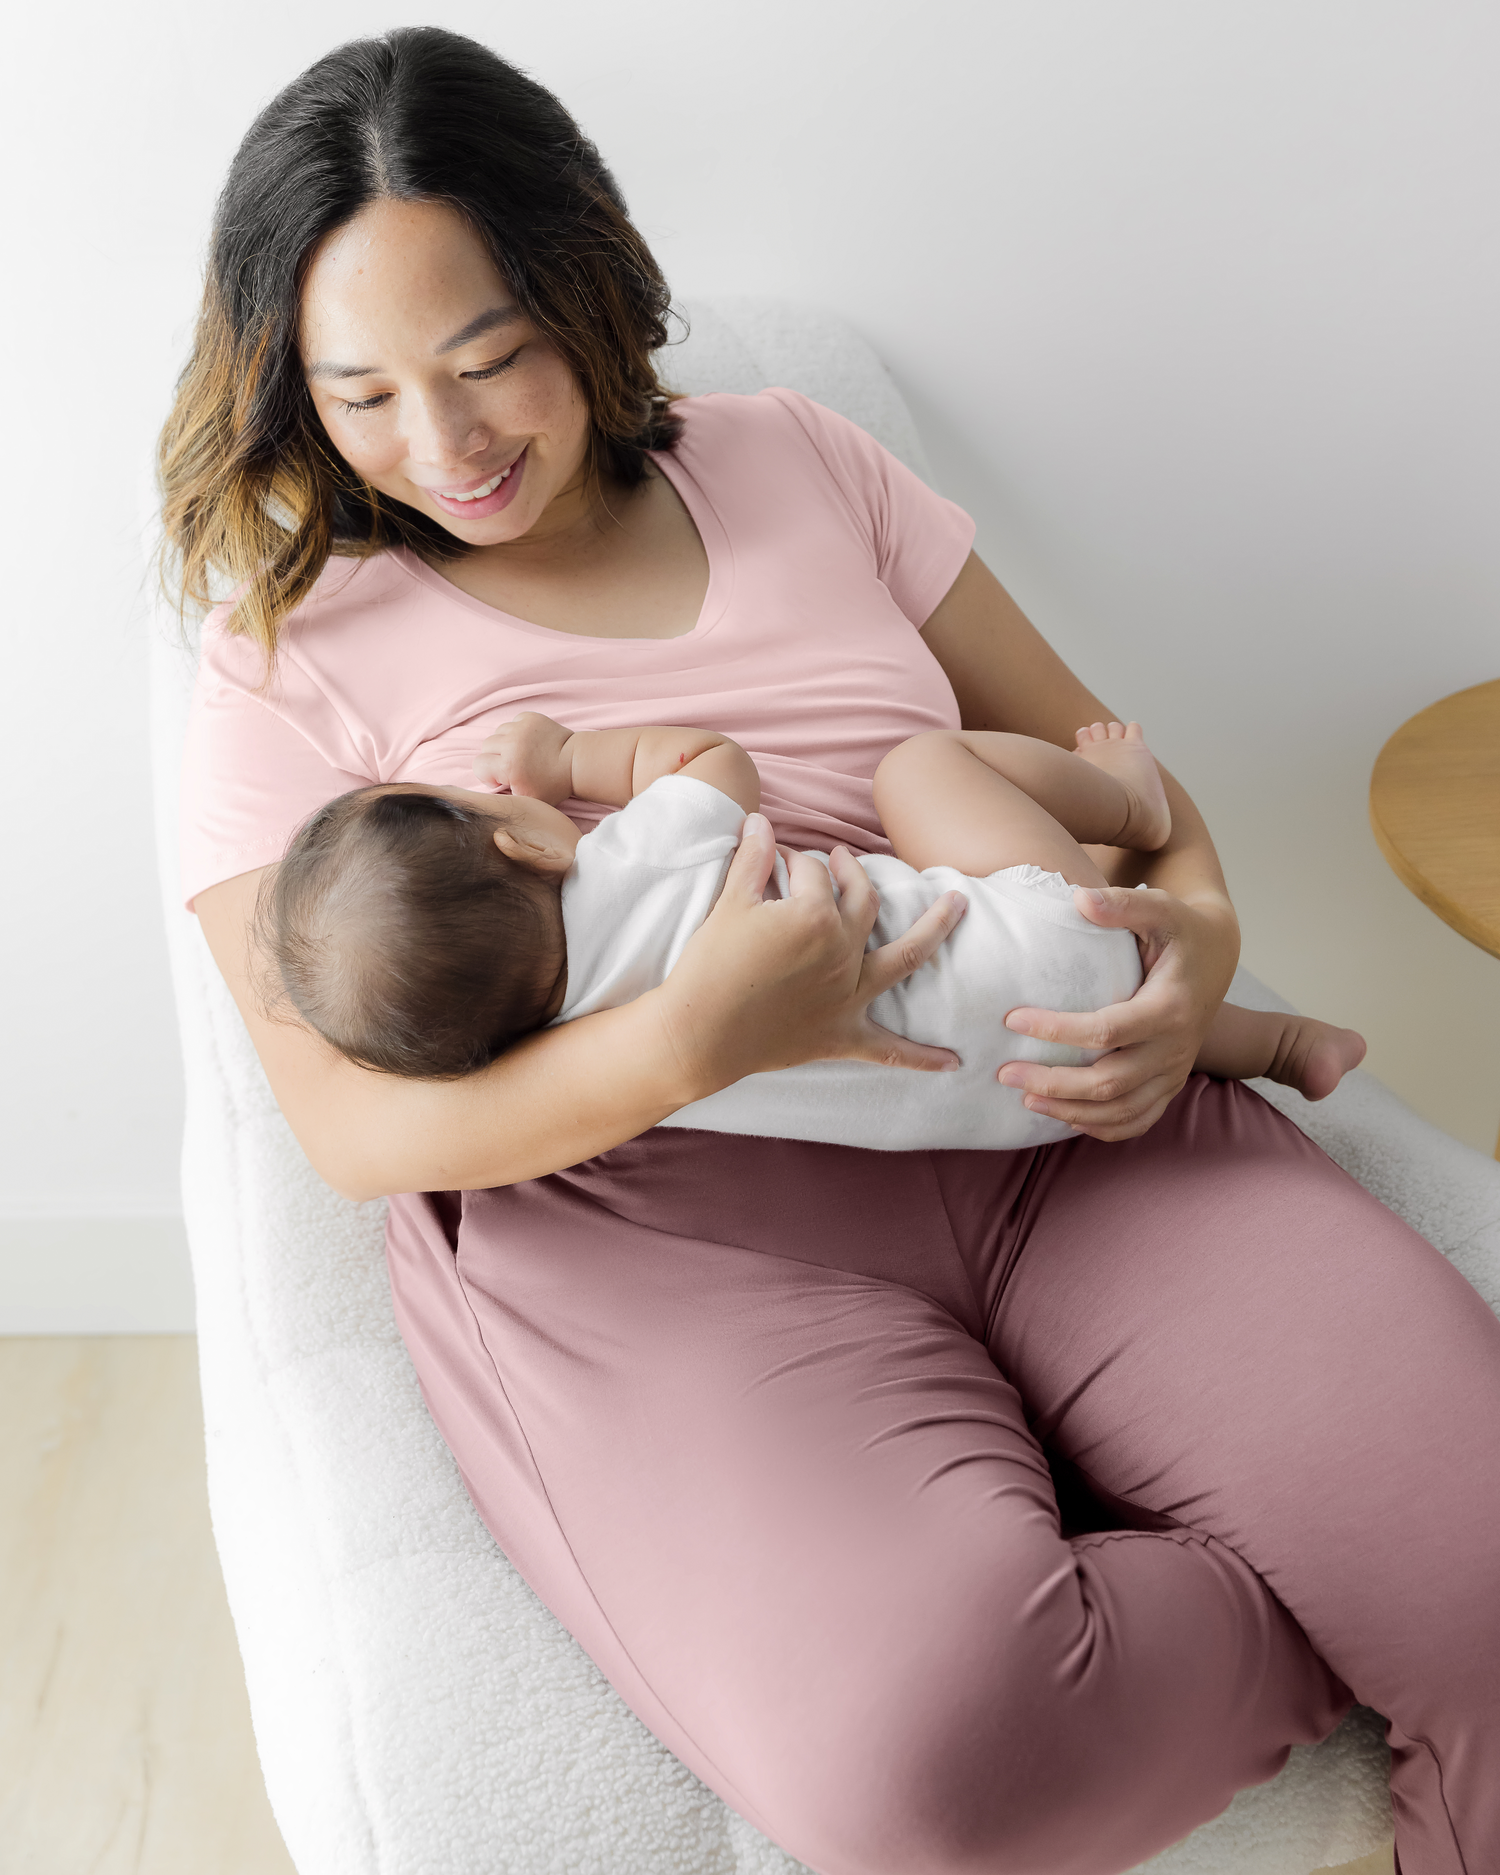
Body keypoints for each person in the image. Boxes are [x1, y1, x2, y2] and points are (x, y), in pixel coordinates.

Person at [161, 26, 1500, 1875]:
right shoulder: (283, 661)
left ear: (589, 285)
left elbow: (1131, 782)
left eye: (492, 361)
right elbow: (352, 1132)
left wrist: (1193, 961)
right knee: (928, 1775)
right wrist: (696, 1037)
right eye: (363, 397)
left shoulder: (797, 460)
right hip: (659, 1220)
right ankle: (1351, 1612)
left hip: (1045, 1081)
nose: (447, 445)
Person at [260, 710, 1367, 1153]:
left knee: (1039, 1007)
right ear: (529, 844)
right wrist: (570, 764)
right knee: (922, 767)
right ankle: (1132, 808)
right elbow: (713, 765)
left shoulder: (571, 1055)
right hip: (1056, 934)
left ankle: (1282, 1045)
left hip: (1016, 1108)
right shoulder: (628, 861)